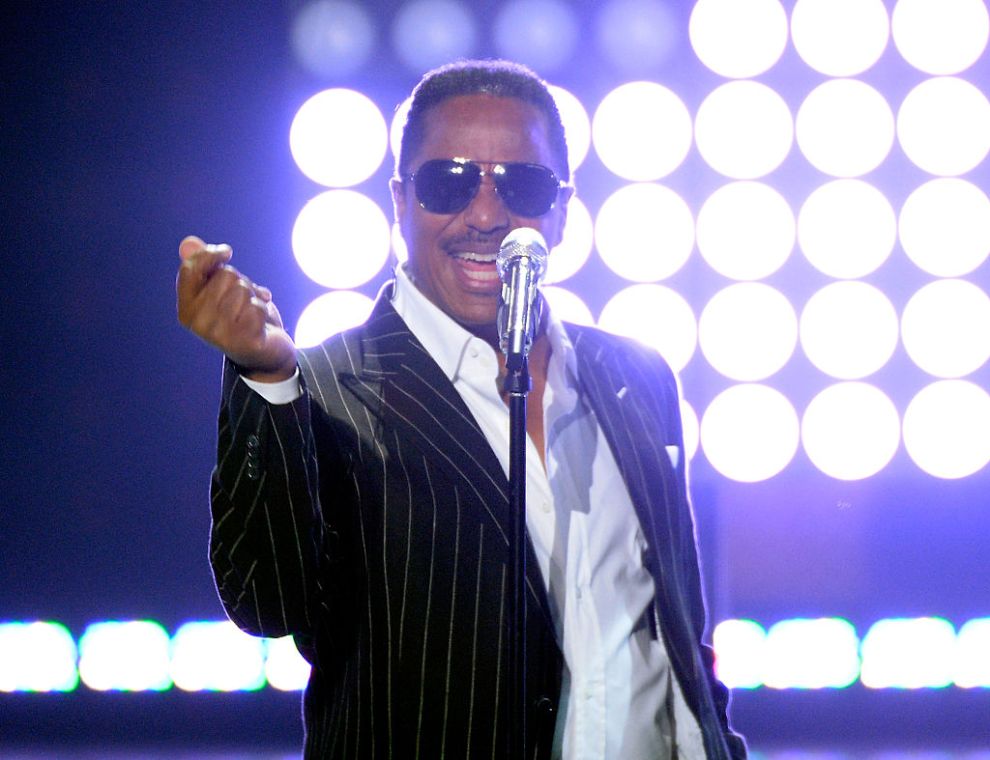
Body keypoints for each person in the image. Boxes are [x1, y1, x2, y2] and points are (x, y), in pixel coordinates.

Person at [176, 59, 746, 759]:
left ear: (562, 209)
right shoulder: (326, 389)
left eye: (522, 185)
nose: (485, 214)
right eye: (449, 182)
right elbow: (266, 603)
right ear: (399, 200)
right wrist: (265, 374)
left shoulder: (636, 376)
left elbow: (682, 642)